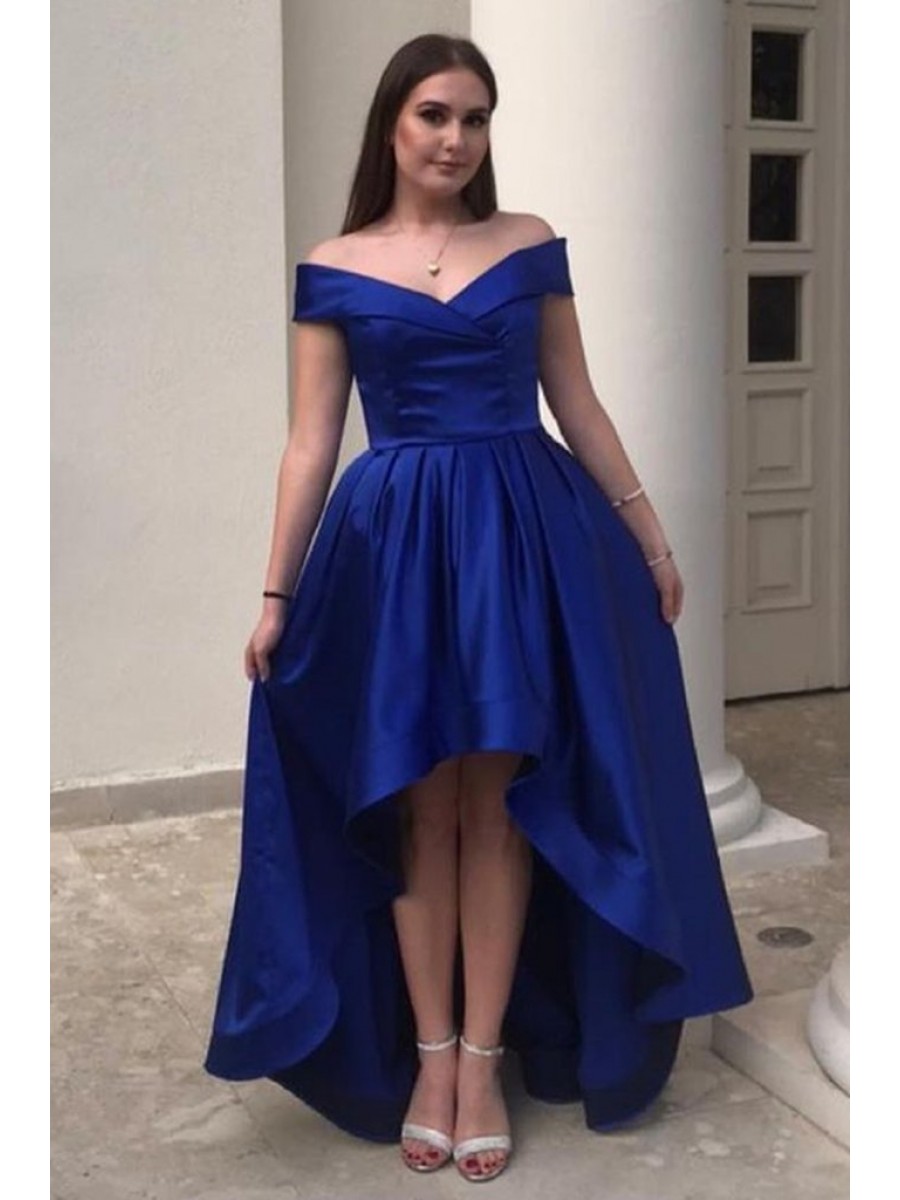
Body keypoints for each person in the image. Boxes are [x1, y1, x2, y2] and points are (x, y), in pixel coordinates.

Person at [204, 32, 753, 1185]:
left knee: (500, 808)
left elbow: (576, 401)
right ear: (393, 126)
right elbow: (310, 443)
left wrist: (651, 537)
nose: (455, 139)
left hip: (521, 542)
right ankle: (429, 1055)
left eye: (474, 118)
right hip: (396, 554)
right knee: (419, 812)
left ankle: (482, 1060)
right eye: (434, 115)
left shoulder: (529, 243)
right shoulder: (334, 264)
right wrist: (275, 595)